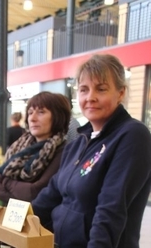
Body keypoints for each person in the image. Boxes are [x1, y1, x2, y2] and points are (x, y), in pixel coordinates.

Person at [32, 54, 151, 248]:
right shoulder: (78, 143)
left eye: (101, 89)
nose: (90, 98)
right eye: (84, 90)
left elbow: (110, 208)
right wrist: (14, 224)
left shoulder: (132, 135)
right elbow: (49, 196)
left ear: (120, 93)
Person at [0, 92, 71, 204]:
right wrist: (22, 193)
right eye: (30, 113)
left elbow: (34, 193)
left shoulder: (64, 151)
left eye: (41, 112)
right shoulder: (19, 146)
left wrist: (6, 182)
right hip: (13, 218)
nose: (32, 118)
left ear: (57, 117)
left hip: (40, 220)